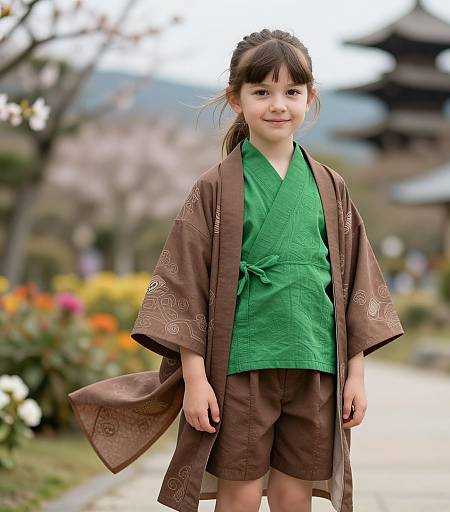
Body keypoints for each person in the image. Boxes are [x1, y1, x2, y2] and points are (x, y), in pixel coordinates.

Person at [68, 28, 404, 512]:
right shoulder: (214, 188)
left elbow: (356, 285)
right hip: (239, 369)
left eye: (292, 92)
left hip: (315, 366)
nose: (278, 104)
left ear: (310, 98)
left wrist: (356, 375)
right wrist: (197, 378)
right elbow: (184, 286)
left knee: (293, 498)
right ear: (235, 98)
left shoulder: (332, 188)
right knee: (240, 497)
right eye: (261, 91)